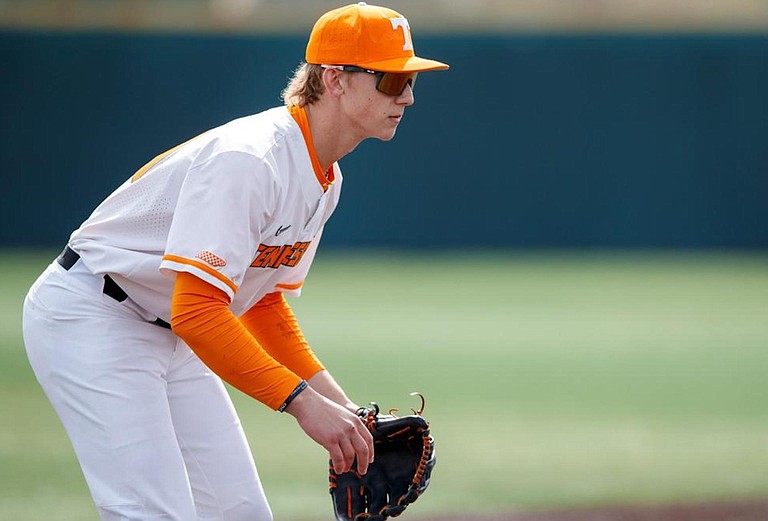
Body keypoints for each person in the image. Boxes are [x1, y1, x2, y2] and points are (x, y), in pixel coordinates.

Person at [21, 3, 449, 520]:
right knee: (155, 513)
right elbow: (199, 311)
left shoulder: (325, 179)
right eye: (391, 79)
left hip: (170, 330)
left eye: (410, 80)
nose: (407, 95)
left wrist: (344, 411)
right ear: (335, 79)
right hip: (95, 314)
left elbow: (260, 300)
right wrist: (304, 406)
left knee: (240, 512)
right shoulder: (251, 160)